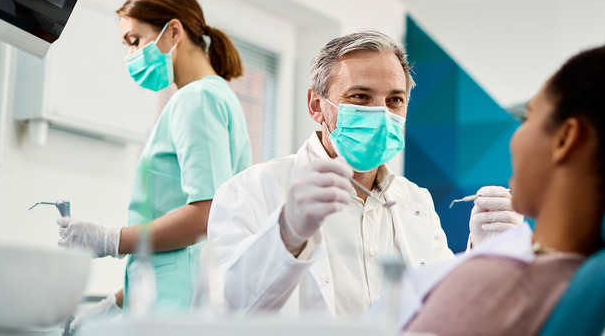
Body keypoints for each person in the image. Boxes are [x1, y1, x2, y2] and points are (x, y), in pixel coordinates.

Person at [403, 5, 605, 335]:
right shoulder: (600, 283)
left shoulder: (494, 285)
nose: (515, 138)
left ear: (566, 138)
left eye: (528, 118)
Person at [198, 31, 523, 319]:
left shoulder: (416, 201)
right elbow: (227, 313)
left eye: (395, 100)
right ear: (316, 105)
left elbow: (440, 313)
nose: (381, 113)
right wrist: (287, 233)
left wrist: (483, 255)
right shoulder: (251, 190)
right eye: (360, 97)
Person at [56, 0, 252, 323]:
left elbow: (206, 215)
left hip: (181, 307)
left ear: (173, 31)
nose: (131, 55)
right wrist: (115, 303)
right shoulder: (212, 97)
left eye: (135, 41)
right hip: (172, 299)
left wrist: (110, 240)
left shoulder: (197, 100)